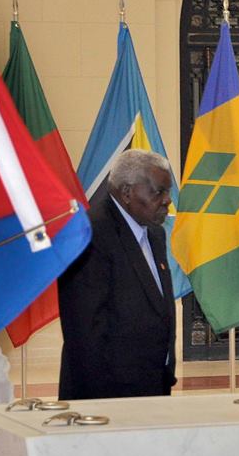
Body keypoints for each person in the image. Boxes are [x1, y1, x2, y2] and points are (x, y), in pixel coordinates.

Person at [58, 149, 177, 399]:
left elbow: (157, 309)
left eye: (168, 191)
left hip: (152, 386)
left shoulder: (155, 233)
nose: (167, 200)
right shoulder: (89, 234)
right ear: (127, 192)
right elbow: (85, 330)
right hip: (107, 395)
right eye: (159, 192)